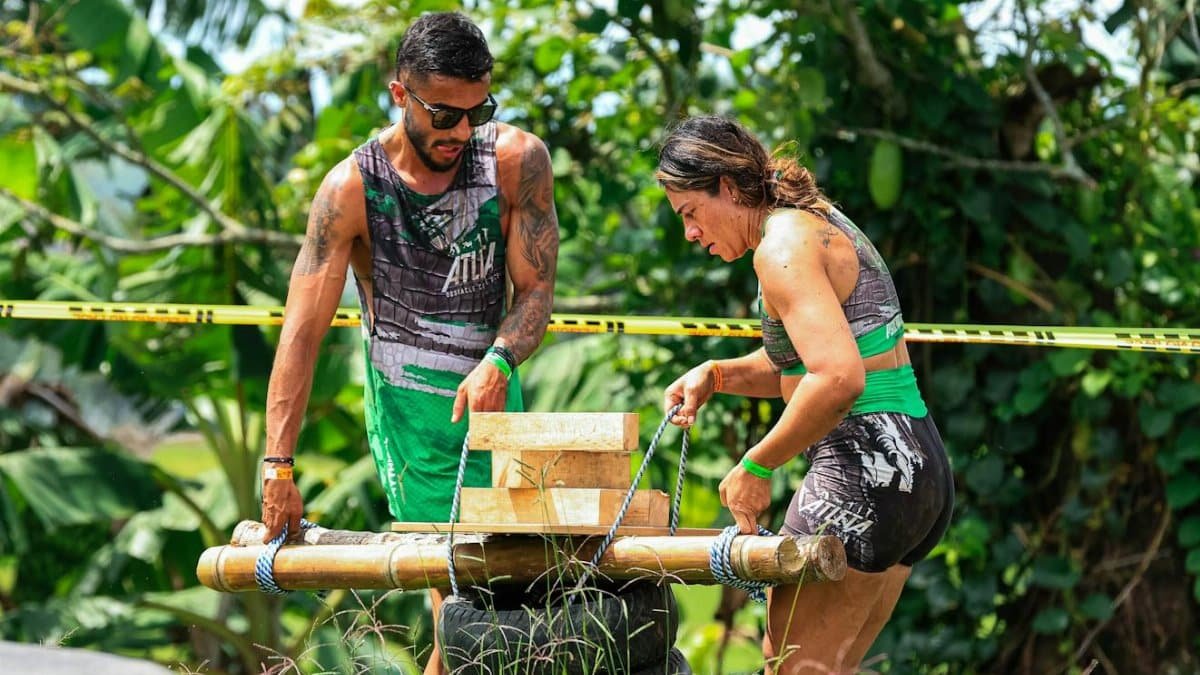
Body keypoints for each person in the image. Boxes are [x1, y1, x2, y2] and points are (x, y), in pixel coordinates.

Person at [259, 12, 559, 674]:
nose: (461, 132)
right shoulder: (351, 189)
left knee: (514, 606)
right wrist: (278, 466)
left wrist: (500, 359)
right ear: (400, 94)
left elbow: (536, 291)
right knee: (462, 606)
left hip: (494, 397)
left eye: (478, 112)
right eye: (444, 115)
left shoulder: (516, 161)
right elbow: (301, 334)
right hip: (411, 417)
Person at [656, 116, 953, 674]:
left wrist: (756, 465)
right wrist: (716, 375)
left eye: (690, 213)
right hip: (916, 469)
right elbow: (803, 363)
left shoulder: (781, 247)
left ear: (726, 186)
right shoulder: (813, 221)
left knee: (790, 666)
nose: (690, 233)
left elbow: (838, 379)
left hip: (863, 469)